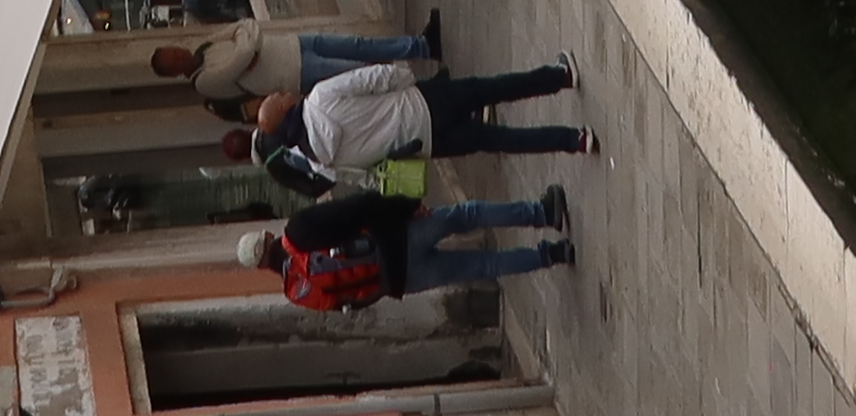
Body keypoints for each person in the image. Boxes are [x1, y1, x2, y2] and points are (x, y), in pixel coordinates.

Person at [258, 52, 598, 169]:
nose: (283, 92)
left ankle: (575, 141)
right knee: (493, 88)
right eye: (278, 96)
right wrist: (407, 78)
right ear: (285, 108)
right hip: (422, 103)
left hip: (423, 145)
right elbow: (370, 78)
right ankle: (560, 76)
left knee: (499, 140)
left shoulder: (317, 157)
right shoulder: (319, 98)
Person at [245, 191, 576, 303]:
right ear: (268, 238)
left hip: (399, 280)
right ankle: (543, 212)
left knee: (482, 266)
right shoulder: (297, 230)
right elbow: (357, 207)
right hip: (396, 237)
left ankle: (553, 255)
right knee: (466, 216)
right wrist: (406, 206)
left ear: (262, 267)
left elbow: (353, 302)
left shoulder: (297, 292)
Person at [155, 10, 432, 111]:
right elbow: (241, 55)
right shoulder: (204, 83)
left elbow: (245, 25)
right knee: (361, 74)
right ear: (175, 72)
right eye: (175, 59)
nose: (181, 53)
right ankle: (423, 90)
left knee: (359, 45)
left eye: (175, 49)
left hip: (292, 44)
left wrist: (250, 46)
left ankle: (421, 46)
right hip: (295, 72)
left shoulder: (205, 47)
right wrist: (249, 45)